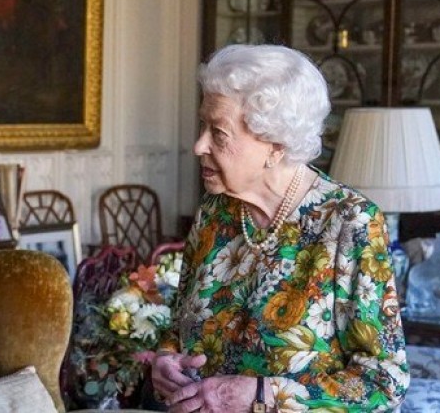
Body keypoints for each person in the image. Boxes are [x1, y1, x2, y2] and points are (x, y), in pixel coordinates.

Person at [152, 44, 409, 412]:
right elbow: (179, 325)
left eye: (218, 133)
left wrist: (263, 395)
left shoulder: (350, 223)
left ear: (275, 145)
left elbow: (384, 381)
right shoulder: (214, 213)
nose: (199, 145)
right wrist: (166, 359)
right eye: (202, 125)